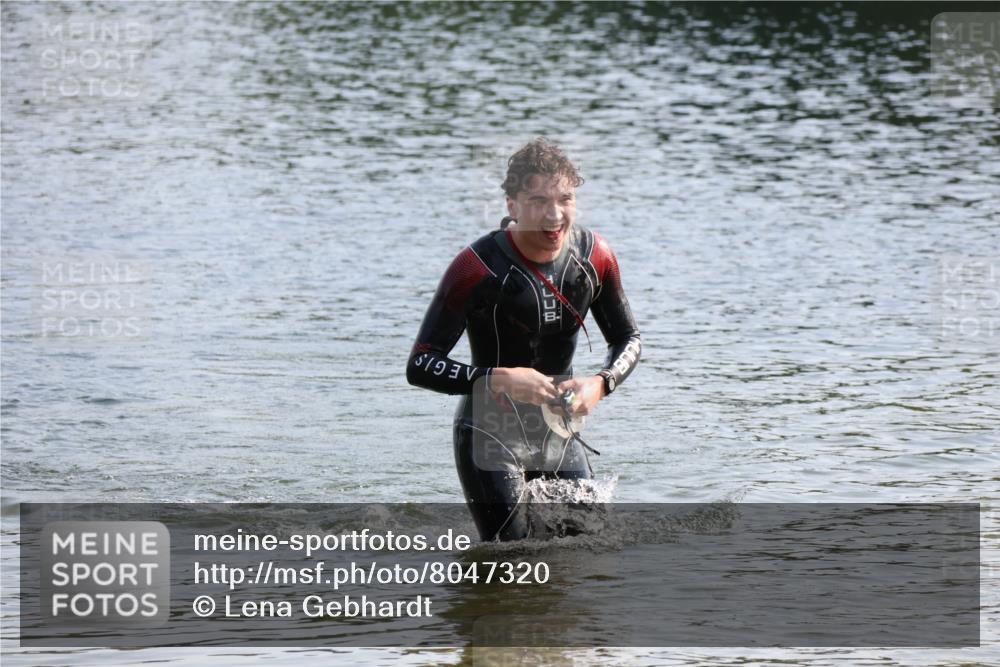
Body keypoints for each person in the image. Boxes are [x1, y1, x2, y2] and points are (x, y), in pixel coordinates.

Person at [407, 138, 641, 541]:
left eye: (565, 199)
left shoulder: (595, 257)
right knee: (509, 564)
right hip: (489, 432)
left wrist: (600, 384)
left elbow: (629, 339)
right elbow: (421, 364)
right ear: (512, 206)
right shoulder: (476, 267)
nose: (554, 216)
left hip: (558, 430)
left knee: (586, 549)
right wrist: (496, 378)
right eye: (537, 201)